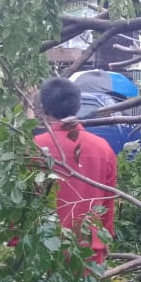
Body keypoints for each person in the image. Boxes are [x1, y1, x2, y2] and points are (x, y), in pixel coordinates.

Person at [34, 78, 117, 265]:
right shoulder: (102, 148)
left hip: (43, 250)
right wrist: (105, 236)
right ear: (78, 105)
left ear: (44, 108)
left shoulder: (34, 148)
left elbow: (22, 200)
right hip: (89, 250)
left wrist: (16, 241)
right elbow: (108, 201)